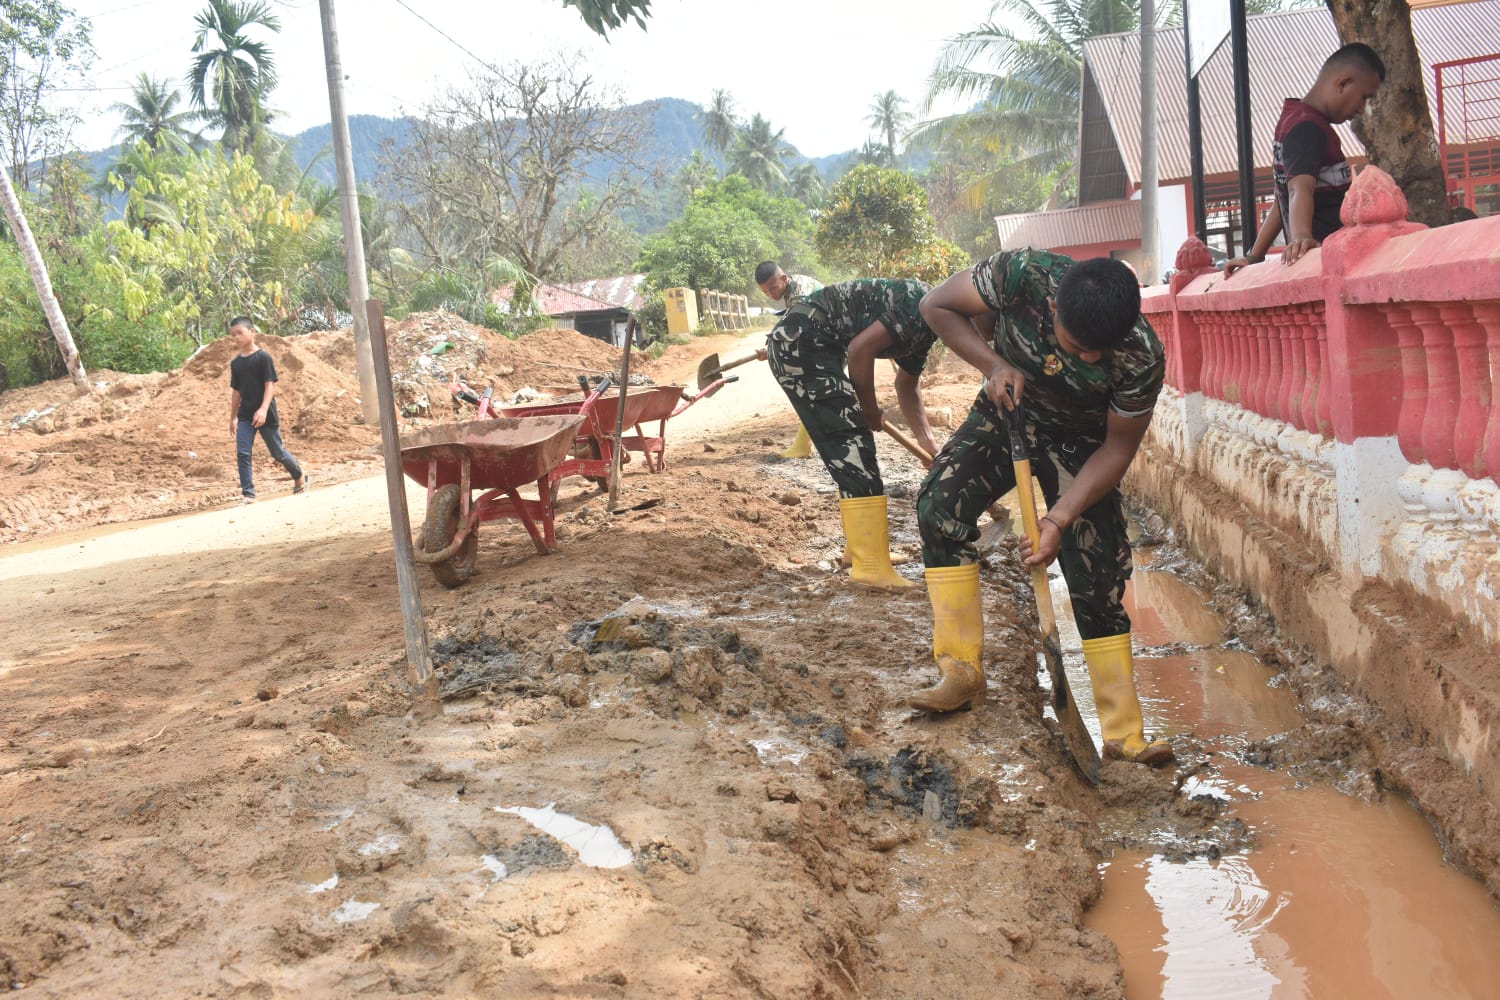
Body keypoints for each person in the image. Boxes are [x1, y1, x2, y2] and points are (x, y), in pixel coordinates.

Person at [914, 250, 1172, 766]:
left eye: (1101, 352)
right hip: (1006, 411)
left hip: (1083, 441)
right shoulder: (1021, 275)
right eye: (1079, 347)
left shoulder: (1141, 356)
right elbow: (935, 306)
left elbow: (1117, 450)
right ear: (1053, 308)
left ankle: (1123, 732)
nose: (1091, 360)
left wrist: (1057, 519)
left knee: (1097, 568)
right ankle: (961, 670)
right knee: (938, 504)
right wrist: (994, 363)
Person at [766, 277, 941, 591]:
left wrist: (928, 444)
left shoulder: (929, 328)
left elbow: (906, 385)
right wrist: (869, 409)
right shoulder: (918, 303)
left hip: (815, 347)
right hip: (803, 344)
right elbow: (860, 349)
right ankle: (870, 566)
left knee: (852, 451)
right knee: (854, 449)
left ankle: (860, 551)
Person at [1225, 43, 1386, 276]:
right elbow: (1297, 191)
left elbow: (1283, 201)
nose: (1361, 109)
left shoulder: (1293, 120)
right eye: (1363, 97)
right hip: (1329, 261)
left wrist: (1254, 256)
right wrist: (1302, 239)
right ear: (1343, 83)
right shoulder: (1307, 128)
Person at [228, 316, 308, 503]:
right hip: (246, 415)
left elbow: (269, 385)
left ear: (252, 332)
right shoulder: (236, 364)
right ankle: (248, 494)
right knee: (243, 452)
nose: (236, 337)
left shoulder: (263, 357)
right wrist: (233, 417)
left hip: (266, 413)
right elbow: (236, 391)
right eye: (233, 335)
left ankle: (299, 475)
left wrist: (263, 410)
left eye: (240, 332)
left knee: (277, 452)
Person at [754, 261, 823, 459]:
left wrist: (773, 346)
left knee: (814, 390)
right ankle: (804, 444)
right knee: (815, 392)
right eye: (765, 292)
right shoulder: (790, 290)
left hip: (834, 338)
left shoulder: (800, 291)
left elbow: (797, 326)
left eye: (773, 288)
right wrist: (771, 347)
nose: (770, 294)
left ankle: (805, 445)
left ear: (784, 278)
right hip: (822, 337)